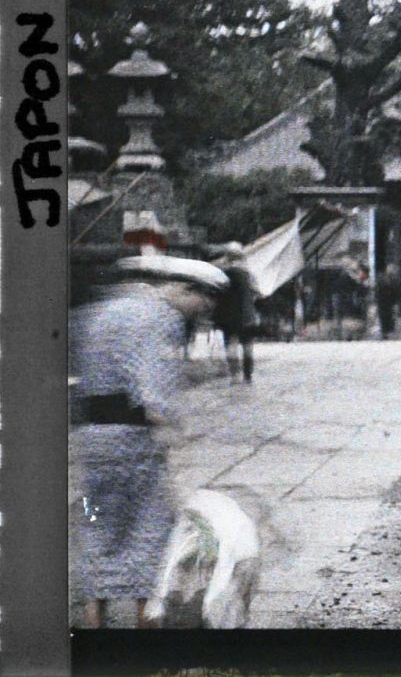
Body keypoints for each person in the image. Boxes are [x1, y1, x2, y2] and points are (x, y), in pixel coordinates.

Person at [71, 254, 230, 629]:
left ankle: (94, 619)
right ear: (182, 288)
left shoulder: (98, 312)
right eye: (202, 301)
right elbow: (153, 392)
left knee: (96, 522)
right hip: (134, 444)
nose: (202, 312)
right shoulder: (158, 318)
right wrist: (173, 432)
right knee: (149, 527)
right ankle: (146, 628)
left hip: (92, 445)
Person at [209, 244, 261, 386]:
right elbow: (258, 292)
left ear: (228, 257)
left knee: (231, 345)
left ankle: (235, 376)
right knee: (248, 347)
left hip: (228, 316)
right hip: (247, 315)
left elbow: (215, 294)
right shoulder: (249, 274)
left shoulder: (221, 274)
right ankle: (247, 376)